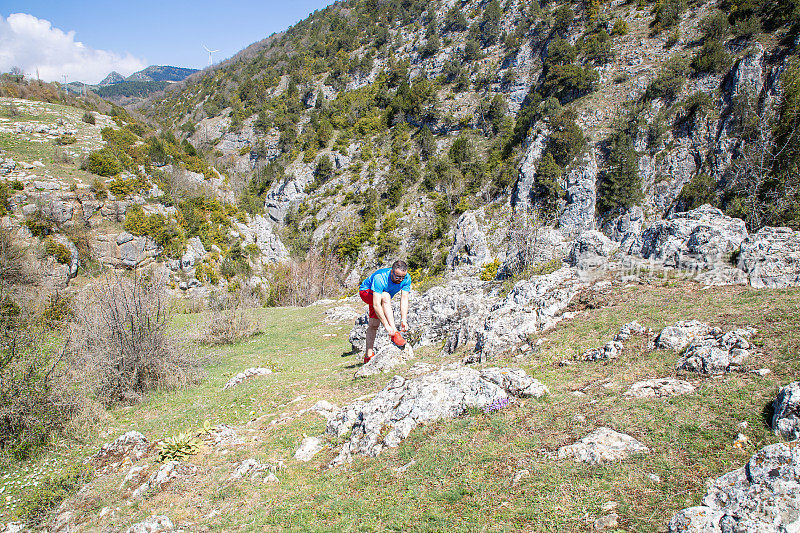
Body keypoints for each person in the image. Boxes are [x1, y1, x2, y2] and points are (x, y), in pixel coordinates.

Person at [358, 260, 411, 363]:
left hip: (380, 295)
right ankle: (395, 333)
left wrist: (404, 320)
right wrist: (387, 326)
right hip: (366, 292)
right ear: (392, 272)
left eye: (402, 277)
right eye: (397, 276)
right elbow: (376, 304)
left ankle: (368, 356)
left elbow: (404, 298)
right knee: (386, 296)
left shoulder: (407, 278)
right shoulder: (380, 278)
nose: (400, 279)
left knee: (374, 325)